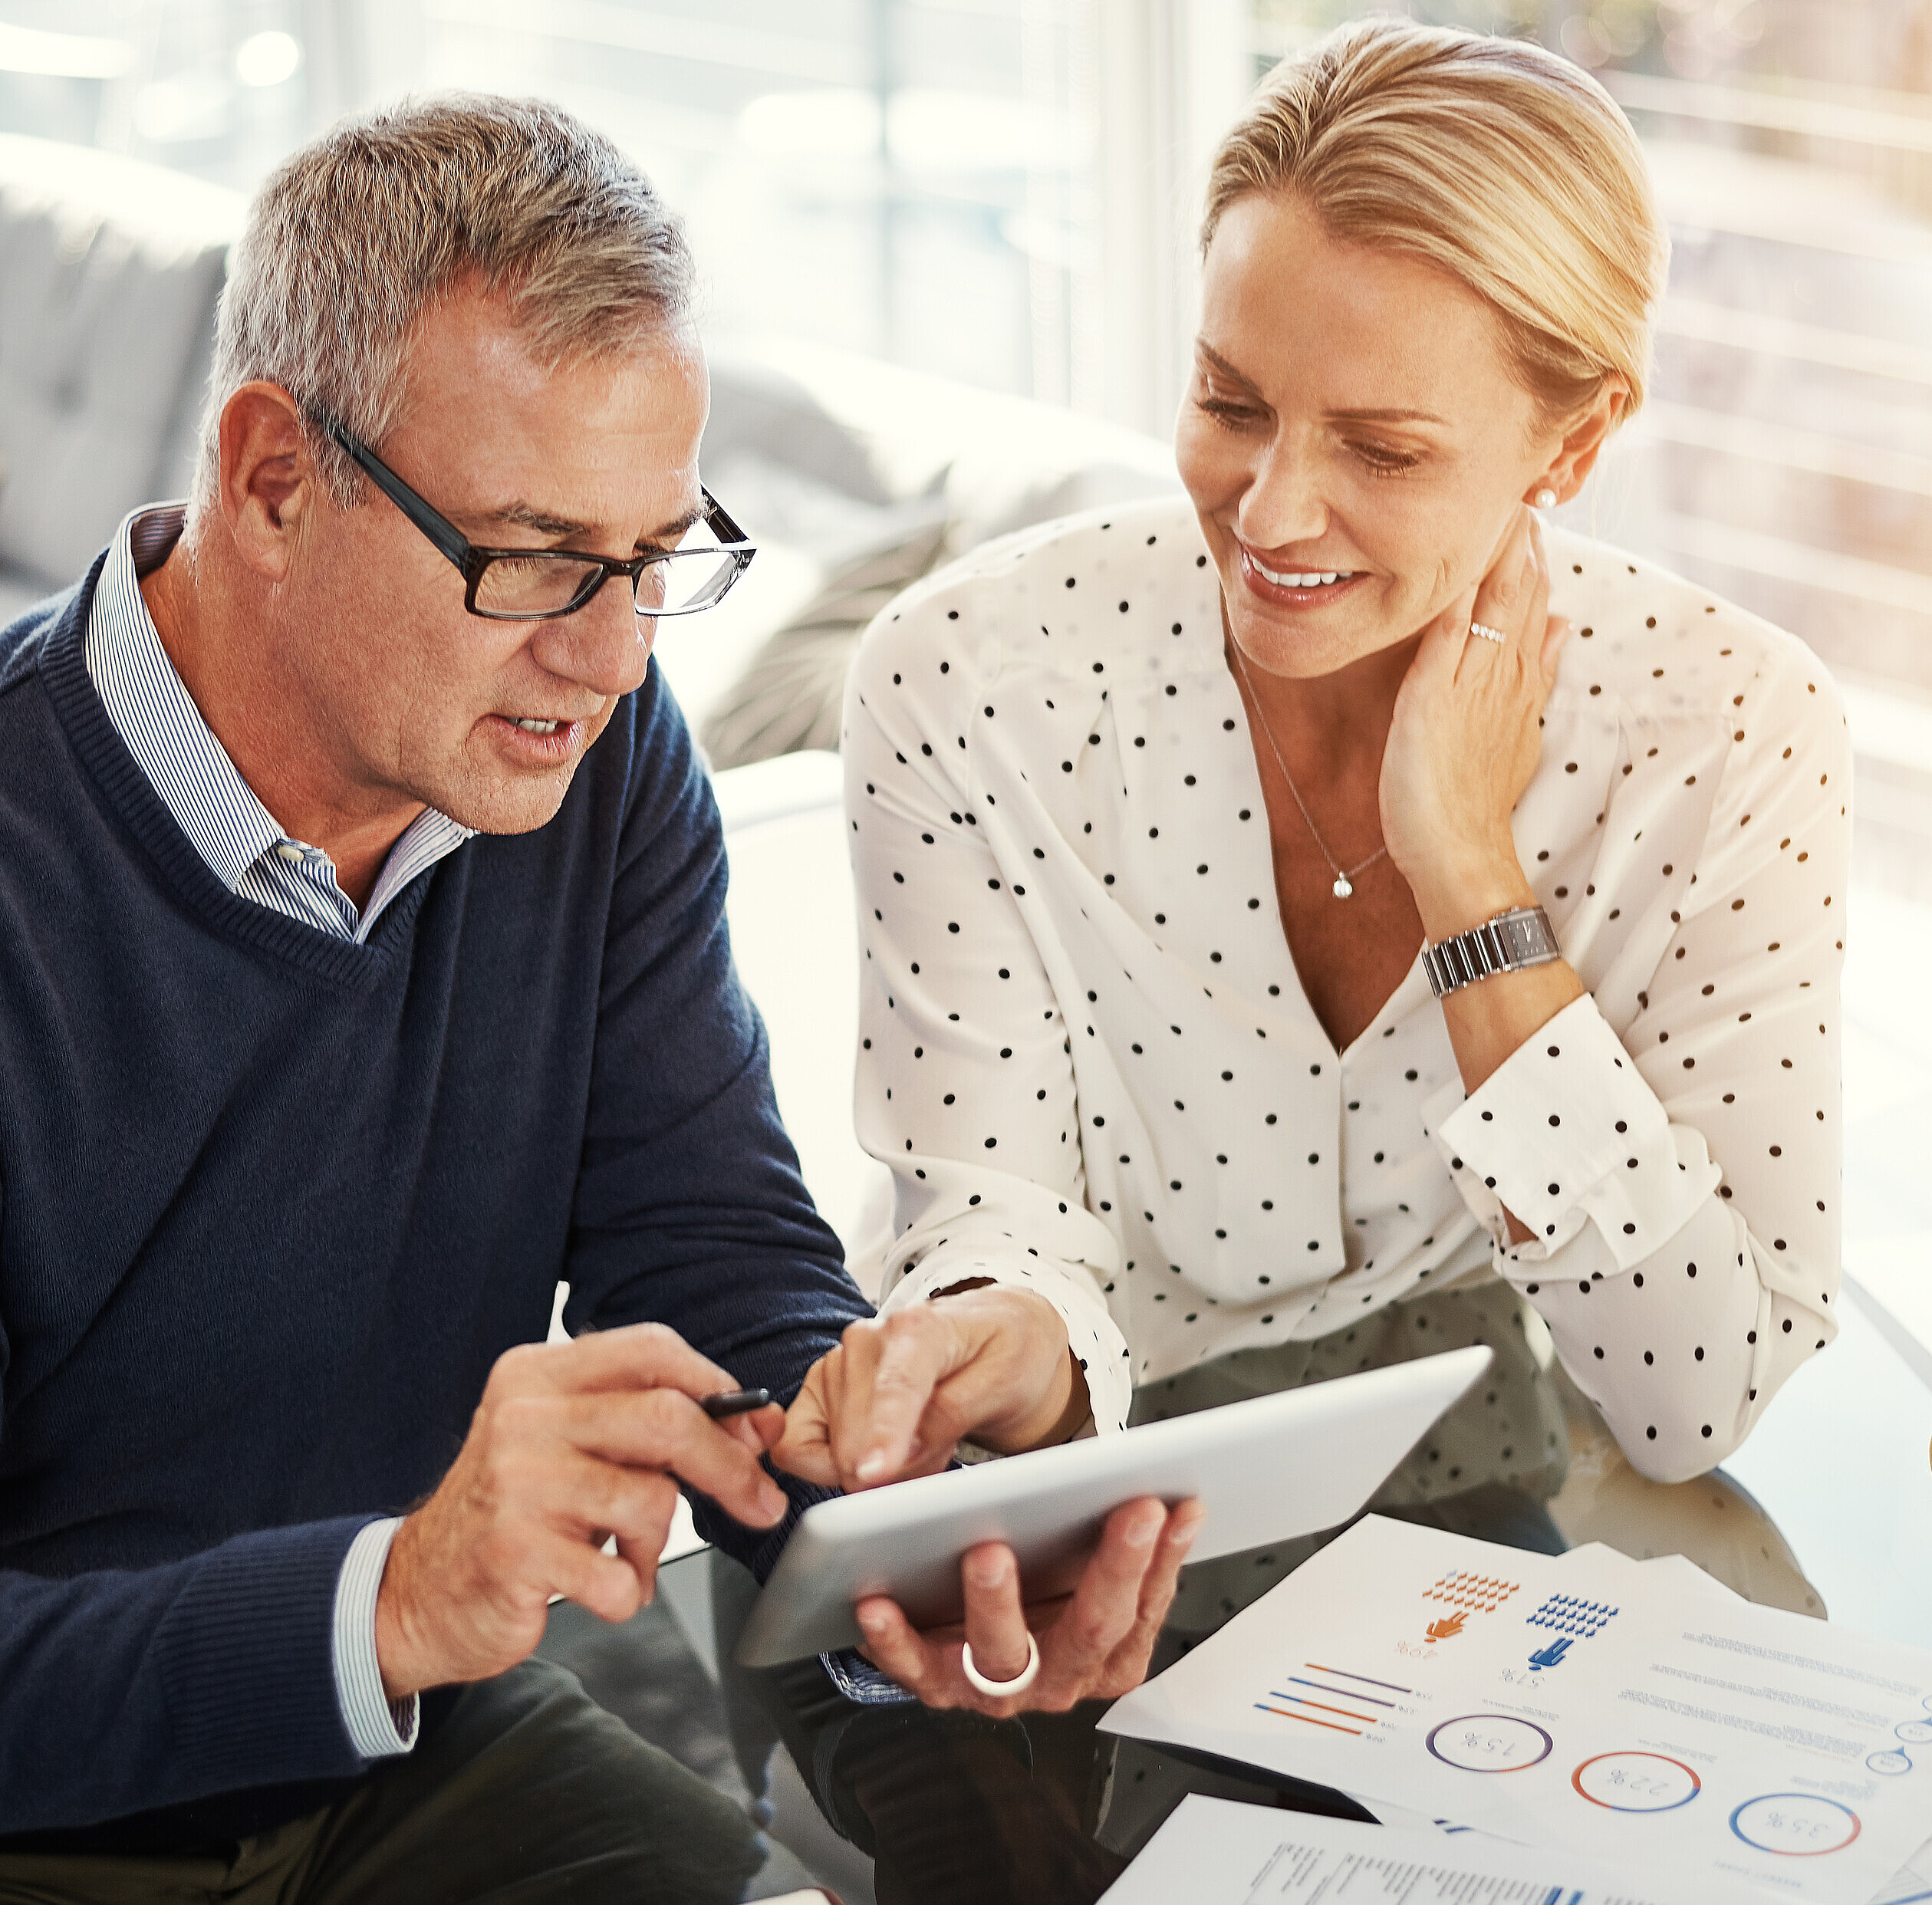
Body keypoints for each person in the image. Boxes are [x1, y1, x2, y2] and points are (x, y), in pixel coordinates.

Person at [0, 96, 1195, 1902]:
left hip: (394, 1741)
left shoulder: (588, 753)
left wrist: (912, 1505)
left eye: (656, 559)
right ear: (268, 480)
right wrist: (396, 1595)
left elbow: (708, 1247)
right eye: (539, 559)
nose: (613, 653)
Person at [842, 18, 1848, 1628]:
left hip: (1478, 1485)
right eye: (1231, 403)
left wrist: (1472, 882)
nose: (1274, 509)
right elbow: (990, 1208)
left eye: (1382, 447)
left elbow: (1693, 1396)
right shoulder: (972, 680)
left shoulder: (1728, 732)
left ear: (1575, 442)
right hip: (1054, 1483)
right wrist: (993, 1337)